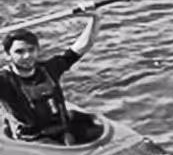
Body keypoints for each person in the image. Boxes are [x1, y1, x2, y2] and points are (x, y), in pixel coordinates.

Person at [0, 15, 102, 145]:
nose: (27, 56)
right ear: (8, 55)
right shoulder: (4, 80)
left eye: (31, 50)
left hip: (61, 125)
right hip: (33, 137)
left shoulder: (49, 68)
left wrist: (95, 17)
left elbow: (82, 46)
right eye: (19, 52)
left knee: (95, 124)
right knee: (61, 145)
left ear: (38, 50)